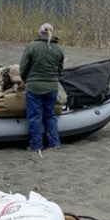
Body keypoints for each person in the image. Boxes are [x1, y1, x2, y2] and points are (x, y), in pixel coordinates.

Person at [19, 23, 65, 153]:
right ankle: (55, 143)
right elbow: (60, 70)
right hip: (52, 87)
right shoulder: (59, 49)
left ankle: (36, 145)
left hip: (34, 87)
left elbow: (23, 68)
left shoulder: (32, 46)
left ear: (40, 32)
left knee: (35, 117)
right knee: (50, 116)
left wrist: (26, 80)